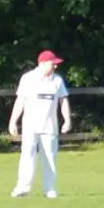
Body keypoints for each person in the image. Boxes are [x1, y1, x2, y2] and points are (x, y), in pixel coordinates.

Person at [9, 49, 72, 198]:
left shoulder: (57, 80)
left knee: (50, 156)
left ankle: (49, 189)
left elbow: (63, 101)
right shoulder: (28, 78)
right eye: (53, 64)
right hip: (30, 125)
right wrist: (13, 121)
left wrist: (67, 120)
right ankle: (22, 188)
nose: (55, 67)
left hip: (49, 125)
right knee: (27, 156)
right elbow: (20, 101)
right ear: (43, 64)